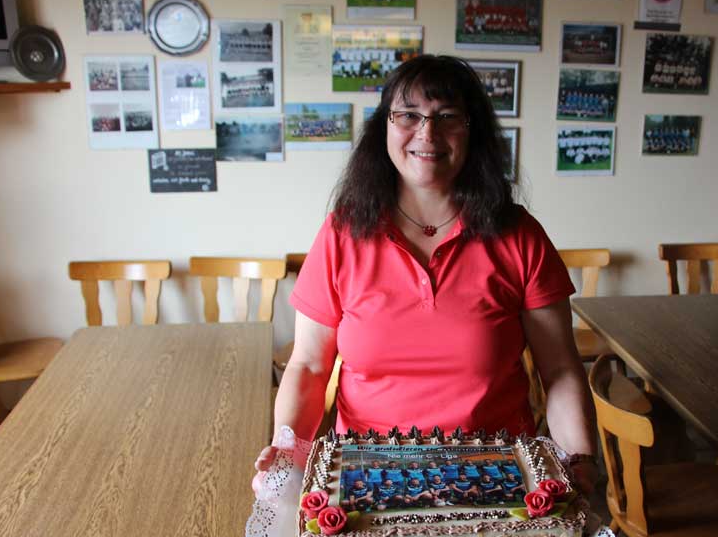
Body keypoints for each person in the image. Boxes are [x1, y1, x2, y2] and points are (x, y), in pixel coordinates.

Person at [254, 54, 597, 497]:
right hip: (366, 477)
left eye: (447, 116)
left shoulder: (519, 235)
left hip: (497, 477)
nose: (427, 133)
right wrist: (288, 449)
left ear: (472, 130)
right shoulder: (343, 232)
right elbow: (309, 365)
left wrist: (581, 460)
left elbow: (561, 369)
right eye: (409, 115)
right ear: (384, 127)